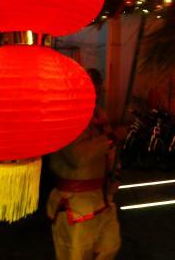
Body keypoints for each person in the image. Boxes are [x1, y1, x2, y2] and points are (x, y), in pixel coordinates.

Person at [47, 70, 121, 260]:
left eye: (99, 85)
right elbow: (77, 157)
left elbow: (110, 150)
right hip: (74, 202)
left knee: (109, 247)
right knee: (76, 253)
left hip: (101, 198)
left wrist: (116, 173)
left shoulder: (98, 113)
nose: (98, 90)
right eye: (92, 85)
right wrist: (111, 140)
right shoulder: (66, 117)